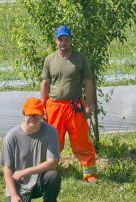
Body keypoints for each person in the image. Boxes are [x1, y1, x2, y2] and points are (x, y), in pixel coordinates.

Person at [40, 25, 98, 183]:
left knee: (81, 140)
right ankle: (49, 171)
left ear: (71, 40)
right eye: (60, 39)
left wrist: (88, 105)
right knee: (53, 141)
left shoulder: (80, 58)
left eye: (66, 39)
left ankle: (89, 173)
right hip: (54, 107)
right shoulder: (49, 59)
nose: (63, 42)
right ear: (55, 41)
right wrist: (42, 107)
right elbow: (45, 84)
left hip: (75, 107)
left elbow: (88, 82)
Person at [0, 97, 61, 202]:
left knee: (52, 176)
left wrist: (27, 171)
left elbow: (53, 162)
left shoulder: (51, 131)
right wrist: (14, 195)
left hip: (39, 182)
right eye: (29, 115)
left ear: (42, 114)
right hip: (19, 185)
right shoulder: (11, 136)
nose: (33, 118)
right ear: (23, 114)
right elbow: (7, 169)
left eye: (36, 115)